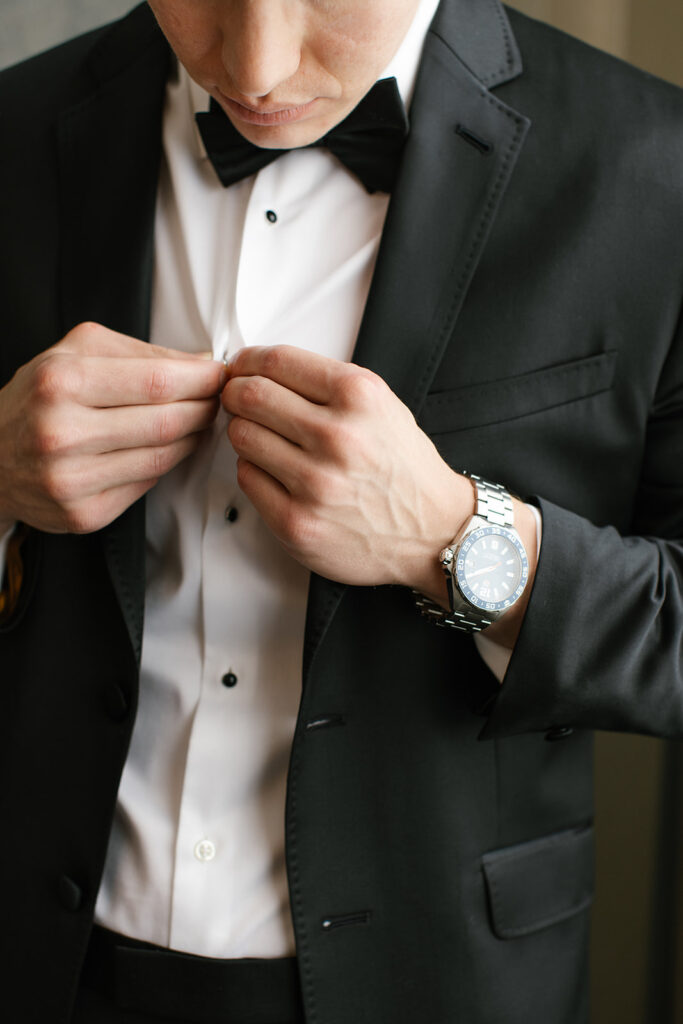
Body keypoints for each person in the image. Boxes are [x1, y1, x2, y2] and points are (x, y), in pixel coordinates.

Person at [0, 0, 681, 1021]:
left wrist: (451, 540)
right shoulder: (16, 128)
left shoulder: (653, 171)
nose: (257, 65)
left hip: (439, 979)